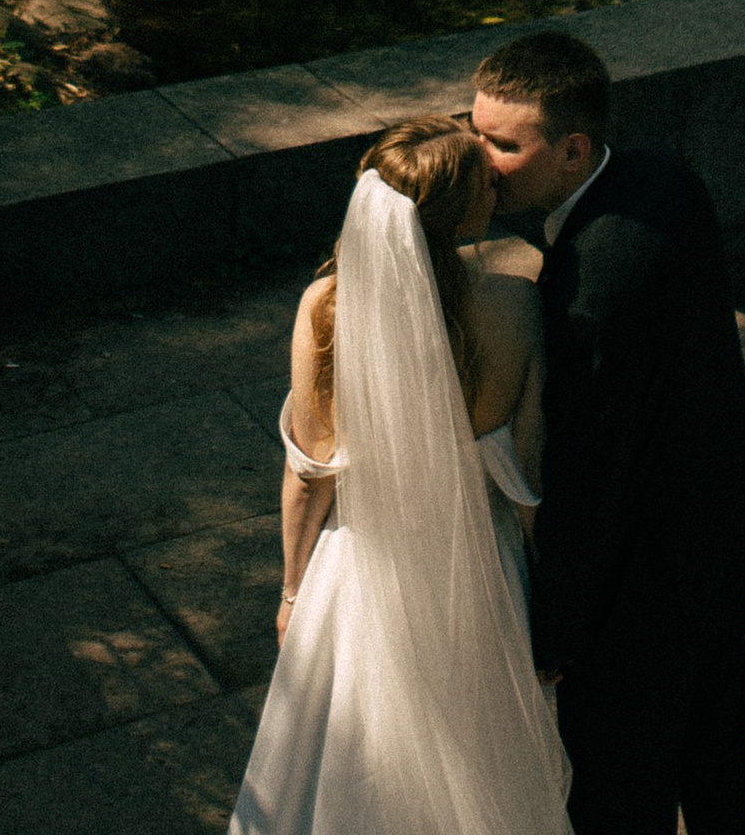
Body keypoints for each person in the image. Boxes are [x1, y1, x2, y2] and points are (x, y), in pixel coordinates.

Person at [472, 31, 745, 835]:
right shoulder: (662, 178)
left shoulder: (587, 297)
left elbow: (589, 473)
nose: (478, 158)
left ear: (573, 150)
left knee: (620, 781)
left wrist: (558, 627)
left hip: (652, 571)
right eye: (474, 130)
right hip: (733, 519)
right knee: (714, 745)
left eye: (502, 144)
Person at [229, 117, 571, 835]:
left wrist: (292, 591)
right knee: (479, 768)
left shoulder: (328, 307)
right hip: (483, 568)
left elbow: (309, 474)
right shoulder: (517, 306)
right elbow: (532, 478)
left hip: (361, 567)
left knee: (350, 764)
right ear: (467, 212)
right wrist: (551, 607)